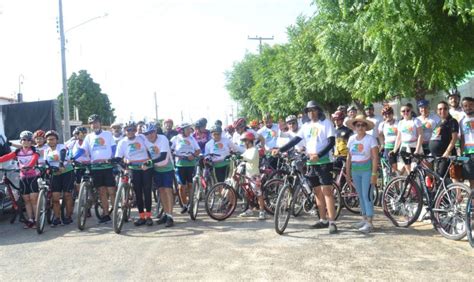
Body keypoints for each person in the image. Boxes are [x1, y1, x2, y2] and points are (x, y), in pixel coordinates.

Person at [274, 100, 338, 234]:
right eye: (309, 111)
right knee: (317, 192)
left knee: (327, 191)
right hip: (311, 162)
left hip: (324, 161)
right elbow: (295, 141)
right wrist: (280, 149)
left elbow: (332, 142)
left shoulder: (326, 123)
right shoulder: (306, 126)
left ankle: (332, 221)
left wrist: (319, 155)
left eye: (313, 110)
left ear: (318, 110)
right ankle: (323, 220)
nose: (311, 113)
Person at [116, 122, 154, 226]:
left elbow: (151, 148)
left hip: (146, 166)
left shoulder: (141, 137)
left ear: (135, 130)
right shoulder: (122, 142)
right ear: (125, 131)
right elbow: (118, 158)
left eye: (133, 129)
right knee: (138, 192)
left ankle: (149, 216)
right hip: (133, 168)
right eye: (128, 130)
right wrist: (124, 166)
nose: (131, 132)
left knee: (147, 191)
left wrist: (150, 161)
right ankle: (142, 216)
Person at [80, 114, 116, 223]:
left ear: (100, 123)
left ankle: (116, 212)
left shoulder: (108, 134)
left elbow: (114, 147)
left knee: (111, 191)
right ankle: (105, 213)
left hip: (108, 166)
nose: (94, 125)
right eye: (92, 123)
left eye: (96, 122)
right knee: (101, 191)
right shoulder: (89, 137)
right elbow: (82, 150)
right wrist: (73, 157)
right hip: (95, 167)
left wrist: (113, 158)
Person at [346, 115, 379, 233]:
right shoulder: (351, 139)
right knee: (360, 195)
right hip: (355, 170)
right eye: (358, 125)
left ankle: (370, 222)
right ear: (354, 127)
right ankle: (364, 219)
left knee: (367, 195)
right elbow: (349, 157)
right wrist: (348, 173)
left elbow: (375, 157)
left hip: (367, 171)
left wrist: (374, 174)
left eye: (363, 125)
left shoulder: (371, 139)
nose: (360, 127)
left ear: (366, 127)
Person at [0, 131, 40, 228]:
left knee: (33, 199)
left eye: (28, 140)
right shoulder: (18, 152)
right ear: (21, 141)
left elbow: (34, 159)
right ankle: (30, 219)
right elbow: (6, 157)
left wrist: (29, 166)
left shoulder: (35, 150)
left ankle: (37, 220)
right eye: (24, 140)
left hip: (33, 177)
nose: (26, 142)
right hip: (23, 177)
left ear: (31, 142)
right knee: (26, 200)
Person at [143, 122, 175, 227]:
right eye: (147, 133)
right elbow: (147, 153)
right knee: (161, 191)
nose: (149, 135)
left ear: (155, 131)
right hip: (156, 169)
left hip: (167, 168)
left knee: (167, 190)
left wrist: (150, 162)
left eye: (151, 132)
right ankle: (166, 213)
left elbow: (163, 156)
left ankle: (170, 216)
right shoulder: (146, 141)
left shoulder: (163, 139)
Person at [44, 130, 75, 226]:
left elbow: (62, 153)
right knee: (55, 198)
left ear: (57, 140)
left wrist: (61, 162)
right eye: (48, 140)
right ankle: (57, 218)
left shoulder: (61, 146)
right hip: (55, 174)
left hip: (67, 172)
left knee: (67, 195)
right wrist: (49, 168)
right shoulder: (46, 150)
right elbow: (46, 162)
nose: (50, 141)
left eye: (52, 139)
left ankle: (68, 216)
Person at [170, 122, 201, 214]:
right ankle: (184, 205)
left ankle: (191, 203)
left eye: (189, 129)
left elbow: (198, 150)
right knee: (181, 187)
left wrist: (193, 155)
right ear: (182, 130)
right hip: (180, 165)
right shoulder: (176, 138)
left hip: (190, 164)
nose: (189, 131)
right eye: (187, 129)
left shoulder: (192, 139)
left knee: (190, 185)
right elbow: (170, 148)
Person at [238, 132, 267, 220]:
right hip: (247, 174)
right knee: (249, 194)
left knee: (258, 193)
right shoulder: (247, 150)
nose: (243, 143)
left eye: (245, 141)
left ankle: (262, 211)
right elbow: (243, 158)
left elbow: (251, 159)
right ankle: (250, 209)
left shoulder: (254, 150)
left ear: (249, 141)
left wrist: (241, 157)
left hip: (254, 175)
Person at [429, 101, 459, 177]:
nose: (442, 111)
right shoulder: (439, 122)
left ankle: (456, 189)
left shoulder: (452, 121)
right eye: (440, 109)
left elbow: (454, 138)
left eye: (445, 109)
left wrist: (447, 152)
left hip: (445, 155)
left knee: (451, 177)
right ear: (437, 111)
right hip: (436, 156)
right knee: (437, 178)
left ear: (448, 109)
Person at [391, 104, 423, 173]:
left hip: (414, 146)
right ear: (401, 113)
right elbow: (399, 137)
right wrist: (394, 150)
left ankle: (417, 182)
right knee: (407, 168)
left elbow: (420, 135)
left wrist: (417, 150)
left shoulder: (416, 121)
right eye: (403, 111)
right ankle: (411, 183)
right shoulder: (400, 122)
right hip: (404, 147)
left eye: (407, 110)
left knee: (414, 168)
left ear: (411, 111)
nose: (405, 112)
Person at [67, 127, 90, 191]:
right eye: (77, 134)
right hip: (77, 164)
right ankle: (79, 195)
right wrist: (69, 157)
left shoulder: (88, 142)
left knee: (93, 179)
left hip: (89, 163)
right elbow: (68, 150)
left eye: (83, 134)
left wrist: (74, 157)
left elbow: (82, 151)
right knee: (77, 180)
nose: (80, 135)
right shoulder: (73, 142)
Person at [378, 106, 398, 173]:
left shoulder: (398, 123)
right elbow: (380, 135)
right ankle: (395, 182)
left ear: (392, 114)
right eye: (385, 114)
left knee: (401, 166)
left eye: (389, 113)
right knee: (393, 167)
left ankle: (401, 180)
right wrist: (382, 144)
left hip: (398, 147)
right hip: (388, 147)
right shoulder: (382, 125)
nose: (387, 115)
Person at [459, 97, 474, 189]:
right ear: (462, 108)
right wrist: (462, 156)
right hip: (467, 154)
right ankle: (472, 202)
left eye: (471, 105)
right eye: (465, 106)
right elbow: (462, 139)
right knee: (471, 179)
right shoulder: (461, 121)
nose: (468, 107)